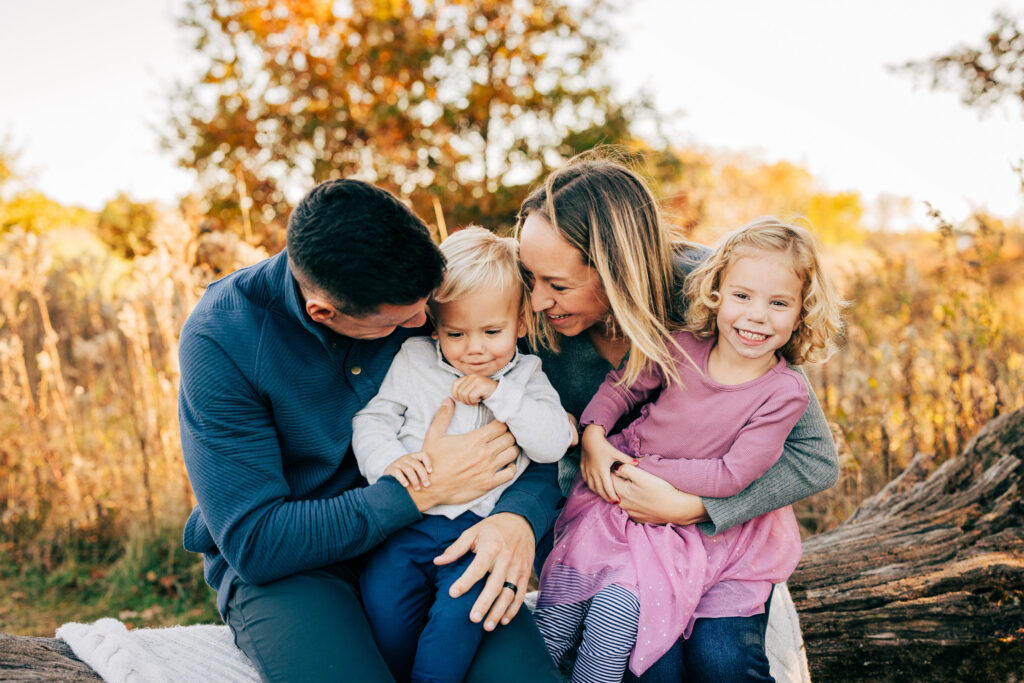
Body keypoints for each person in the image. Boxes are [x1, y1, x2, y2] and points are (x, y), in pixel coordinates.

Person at [178, 179, 564, 682]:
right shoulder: (222, 338)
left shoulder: (434, 306)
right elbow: (257, 542)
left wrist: (517, 519)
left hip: (443, 535)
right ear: (325, 312)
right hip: (299, 566)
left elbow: (526, 437)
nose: (427, 324)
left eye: (430, 309)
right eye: (403, 322)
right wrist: (421, 490)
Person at [515, 154, 840, 681]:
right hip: (601, 523)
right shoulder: (532, 316)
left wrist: (699, 507)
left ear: (617, 268)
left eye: (556, 283)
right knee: (644, 664)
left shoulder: (723, 294)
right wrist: (588, 443)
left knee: (719, 659)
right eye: (532, 277)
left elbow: (814, 458)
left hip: (712, 533)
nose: (536, 300)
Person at [352, 227, 576, 683]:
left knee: (459, 625)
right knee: (385, 615)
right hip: (407, 524)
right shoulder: (414, 359)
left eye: (492, 331)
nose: (474, 348)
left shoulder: (527, 377)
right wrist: (388, 462)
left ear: (521, 323)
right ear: (435, 325)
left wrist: (502, 395)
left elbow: (553, 443)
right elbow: (372, 420)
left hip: (479, 538)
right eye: (456, 333)